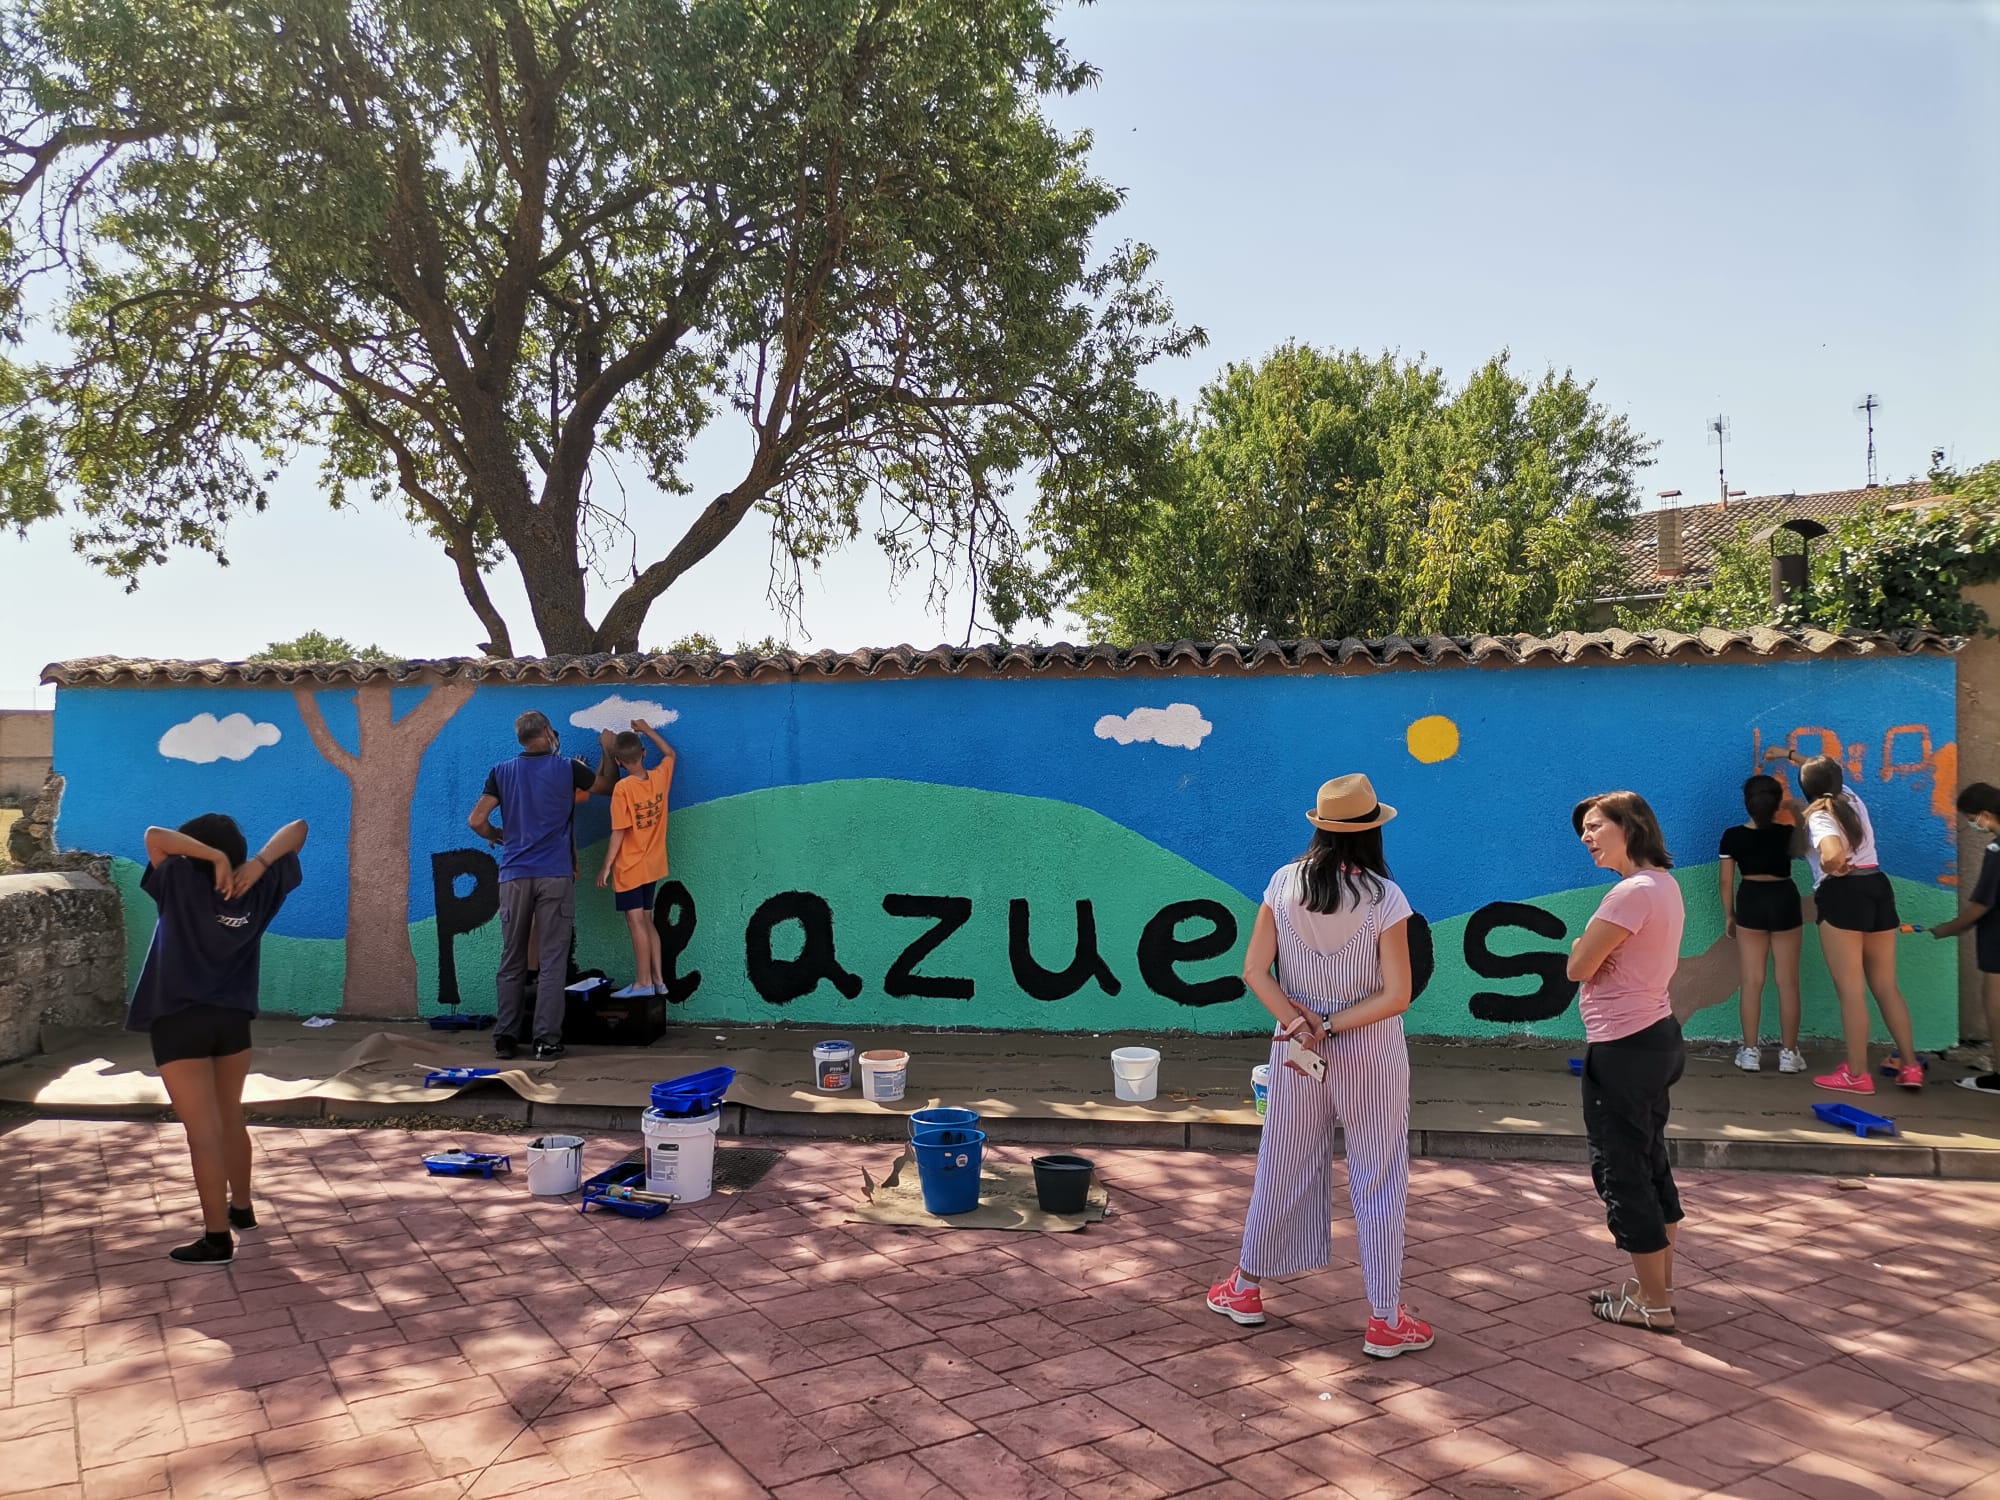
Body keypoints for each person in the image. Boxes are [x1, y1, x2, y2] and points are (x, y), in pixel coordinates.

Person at [1206, 774, 1434, 1360]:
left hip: (1296, 1053)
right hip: (1374, 1057)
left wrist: (1298, 1022)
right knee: (1379, 1179)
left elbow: (1254, 970)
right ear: (1372, 830)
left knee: (1281, 1164)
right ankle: (1385, 1319)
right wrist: (1331, 1025)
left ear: (1320, 826)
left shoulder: (1283, 884)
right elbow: (1398, 996)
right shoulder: (1387, 899)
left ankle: (1246, 1288)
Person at [131, 813, 308, 1265]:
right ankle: (242, 1210)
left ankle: (216, 1239)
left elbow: (155, 836)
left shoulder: (176, 878)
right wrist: (259, 863)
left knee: (202, 1132)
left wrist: (210, 857)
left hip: (179, 1019)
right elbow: (298, 828)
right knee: (230, 1117)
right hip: (232, 1020)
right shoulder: (263, 886)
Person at [1569, 791, 1684, 1334]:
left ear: (1630, 825)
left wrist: (1582, 948)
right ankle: (1650, 1287)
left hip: (1623, 1046)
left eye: (1595, 827)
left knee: (1623, 1170)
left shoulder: (1629, 893)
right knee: (1649, 1160)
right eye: (1583, 831)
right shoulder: (1663, 885)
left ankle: (1654, 1305)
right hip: (1654, 1037)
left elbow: (1577, 966)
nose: (1587, 838)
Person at [1764, 748, 1922, 1093]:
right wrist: (1791, 755)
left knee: (1851, 991)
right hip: (1878, 885)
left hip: (1843, 894)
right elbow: (1821, 770)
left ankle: (1856, 1074)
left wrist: (1835, 866)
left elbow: (1832, 852)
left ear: (1805, 789)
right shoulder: (1849, 797)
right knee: (1885, 985)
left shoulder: (1819, 815)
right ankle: (1910, 1066)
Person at [469, 712, 616, 1061]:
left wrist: (498, 836)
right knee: (552, 961)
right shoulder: (568, 769)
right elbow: (607, 788)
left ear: (521, 738)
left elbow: (476, 820)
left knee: (512, 959)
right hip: (554, 874)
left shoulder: (500, 772)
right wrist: (608, 752)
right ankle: (546, 1041)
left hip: (514, 876)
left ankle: (505, 1037)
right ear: (548, 734)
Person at [1719, 774, 1807, 1074]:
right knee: (1788, 983)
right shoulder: (1787, 833)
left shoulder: (1732, 836)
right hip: (1784, 898)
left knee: (1752, 981)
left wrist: (1730, 914)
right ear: (1776, 803)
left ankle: (1751, 1051)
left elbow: (1725, 881)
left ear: (1747, 803)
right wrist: (1798, 814)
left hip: (1751, 901)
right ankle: (1789, 1053)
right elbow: (1803, 848)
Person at [596, 718, 677, 996]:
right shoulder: (659, 776)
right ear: (643, 754)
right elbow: (670, 754)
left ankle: (643, 982)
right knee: (647, 920)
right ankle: (658, 979)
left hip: (630, 868)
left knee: (636, 923)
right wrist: (645, 728)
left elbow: (619, 832)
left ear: (618, 761)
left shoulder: (623, 789)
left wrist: (606, 866)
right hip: (653, 865)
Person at [1930, 782, 2000, 1096]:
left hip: (1997, 938)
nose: (1973, 824)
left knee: (1995, 1001)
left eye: (1973, 818)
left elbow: (1983, 903)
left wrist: (1949, 928)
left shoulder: (1996, 851)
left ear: (1986, 814)